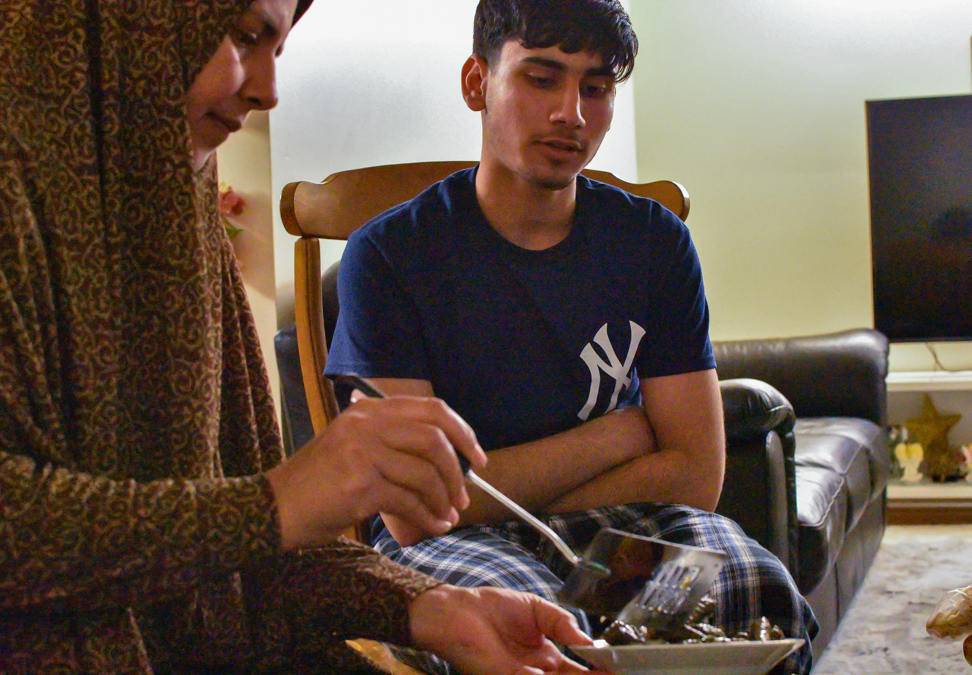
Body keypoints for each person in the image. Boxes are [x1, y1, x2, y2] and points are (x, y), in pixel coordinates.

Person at [0, 1, 605, 673]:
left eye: (278, 49)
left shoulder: (174, 211)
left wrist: (428, 606)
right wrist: (279, 500)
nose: (267, 89)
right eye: (244, 35)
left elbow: (235, 548)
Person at [323, 0, 818, 673]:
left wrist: (497, 486)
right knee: (540, 636)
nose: (571, 114)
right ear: (477, 83)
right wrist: (623, 433)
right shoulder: (388, 254)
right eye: (541, 78)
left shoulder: (654, 242)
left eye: (595, 88)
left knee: (757, 589)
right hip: (445, 547)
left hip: (623, 523)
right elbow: (415, 511)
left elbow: (697, 474)